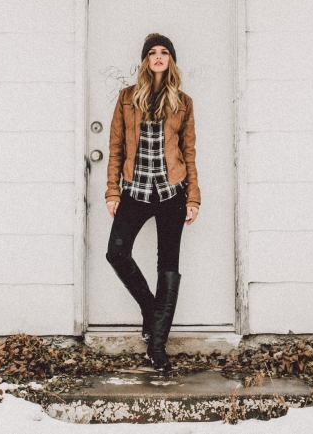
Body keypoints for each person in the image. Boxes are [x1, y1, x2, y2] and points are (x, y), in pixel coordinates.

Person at [105, 33, 200, 374]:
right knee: (116, 252)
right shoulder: (127, 98)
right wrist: (113, 191)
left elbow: (188, 152)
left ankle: (157, 346)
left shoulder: (183, 102)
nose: (158, 57)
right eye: (152, 53)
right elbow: (116, 147)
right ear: (146, 60)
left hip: (172, 192)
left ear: (171, 60)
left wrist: (193, 197)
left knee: (168, 264)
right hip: (135, 191)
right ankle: (150, 309)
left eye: (164, 53)